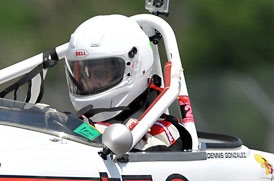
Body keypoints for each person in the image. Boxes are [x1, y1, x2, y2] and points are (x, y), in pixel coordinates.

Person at [64, 14, 186, 151]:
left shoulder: (158, 134)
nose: (92, 82)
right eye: (86, 74)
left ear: (134, 67)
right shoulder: (80, 124)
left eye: (100, 73)